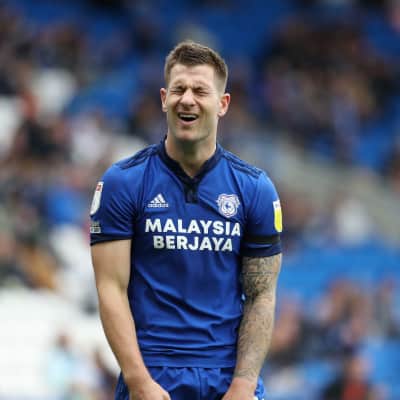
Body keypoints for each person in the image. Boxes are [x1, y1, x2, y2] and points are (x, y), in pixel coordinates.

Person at [90, 40, 283, 400]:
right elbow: (110, 288)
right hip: (153, 374)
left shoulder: (255, 188)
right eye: (178, 89)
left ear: (223, 103)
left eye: (200, 90)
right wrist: (138, 380)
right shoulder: (123, 182)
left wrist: (243, 384)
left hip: (227, 378)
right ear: (164, 99)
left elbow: (261, 295)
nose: (187, 99)